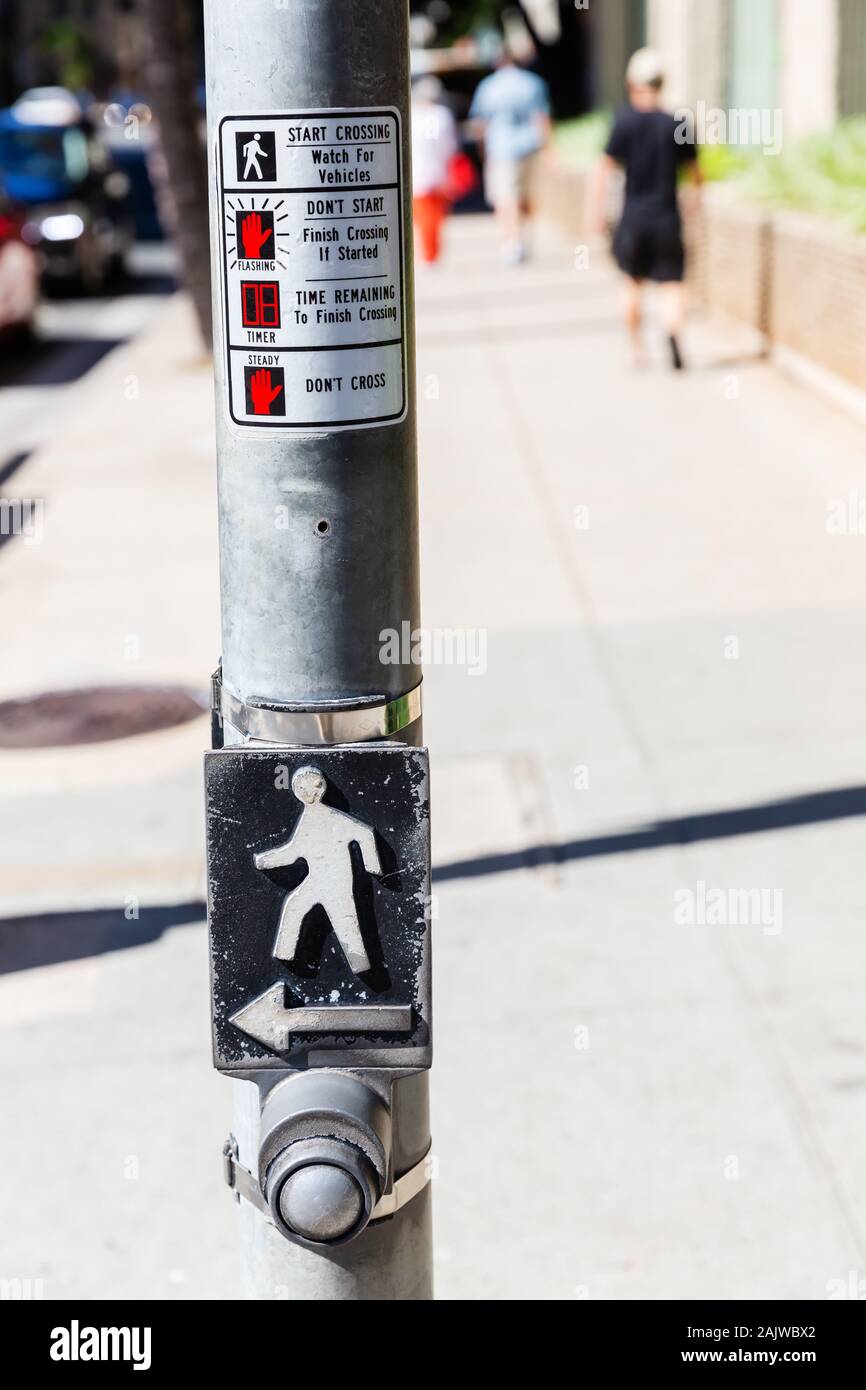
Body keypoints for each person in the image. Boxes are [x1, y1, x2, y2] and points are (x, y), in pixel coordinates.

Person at [588, 48, 702, 369]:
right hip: (667, 218)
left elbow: (603, 169)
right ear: (662, 83)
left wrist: (596, 214)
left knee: (630, 282)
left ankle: (637, 349)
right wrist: (693, 207)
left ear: (630, 82)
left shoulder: (622, 122)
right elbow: (695, 175)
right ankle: (673, 331)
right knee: (672, 283)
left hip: (634, 218)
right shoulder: (677, 123)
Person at [253, 766, 382, 977]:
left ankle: (362, 967)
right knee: (295, 906)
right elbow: (294, 853)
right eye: (300, 789)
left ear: (319, 789)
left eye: (309, 788)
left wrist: (372, 866)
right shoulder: (308, 819)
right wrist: (264, 861)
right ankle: (285, 954)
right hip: (317, 880)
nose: (305, 794)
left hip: (337, 883)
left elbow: (365, 834)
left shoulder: (333, 817)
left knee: (345, 923)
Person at [469, 45, 551, 265]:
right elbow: (541, 119)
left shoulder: (488, 86)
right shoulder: (532, 83)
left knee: (505, 198)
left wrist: (482, 152)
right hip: (529, 147)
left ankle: (512, 242)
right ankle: (524, 236)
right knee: (525, 197)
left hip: (501, 148)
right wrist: (548, 151)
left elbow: (480, 124)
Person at [411, 76, 458, 266]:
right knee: (434, 217)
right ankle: (431, 252)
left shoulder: (414, 115)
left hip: (420, 174)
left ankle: (429, 253)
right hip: (437, 172)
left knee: (424, 217)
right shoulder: (441, 115)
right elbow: (448, 147)